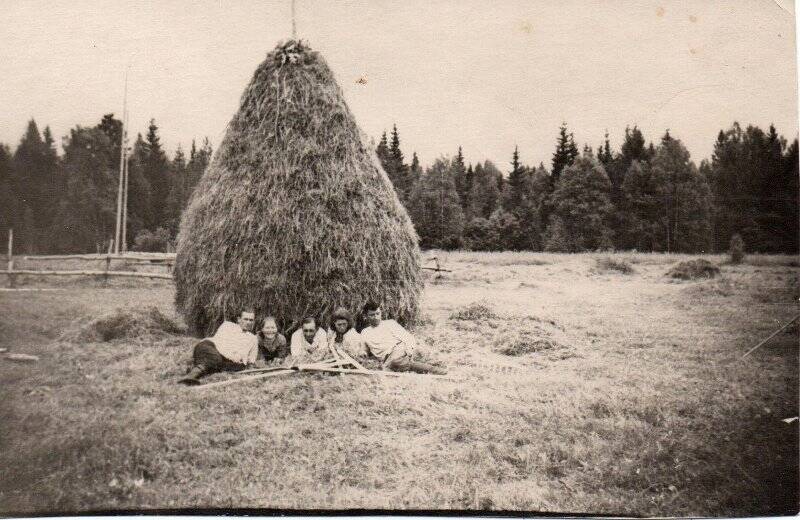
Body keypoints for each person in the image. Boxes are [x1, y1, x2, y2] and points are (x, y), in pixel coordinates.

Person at [360, 301, 447, 374]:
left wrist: (409, 351)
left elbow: (408, 338)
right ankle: (432, 368)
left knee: (391, 366)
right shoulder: (365, 332)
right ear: (366, 316)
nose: (376, 317)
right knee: (392, 366)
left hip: (398, 350)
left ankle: (436, 370)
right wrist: (363, 354)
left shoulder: (389, 324)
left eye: (378, 314)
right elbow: (364, 351)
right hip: (386, 358)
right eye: (372, 315)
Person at [179, 309, 259, 385]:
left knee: (234, 366)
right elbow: (220, 345)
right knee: (216, 359)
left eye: (251, 320)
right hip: (210, 347)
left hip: (227, 361)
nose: (248, 322)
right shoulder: (228, 326)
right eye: (246, 319)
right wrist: (234, 356)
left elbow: (251, 359)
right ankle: (191, 376)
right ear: (239, 319)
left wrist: (250, 367)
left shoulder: (253, 339)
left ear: (254, 321)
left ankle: (195, 369)